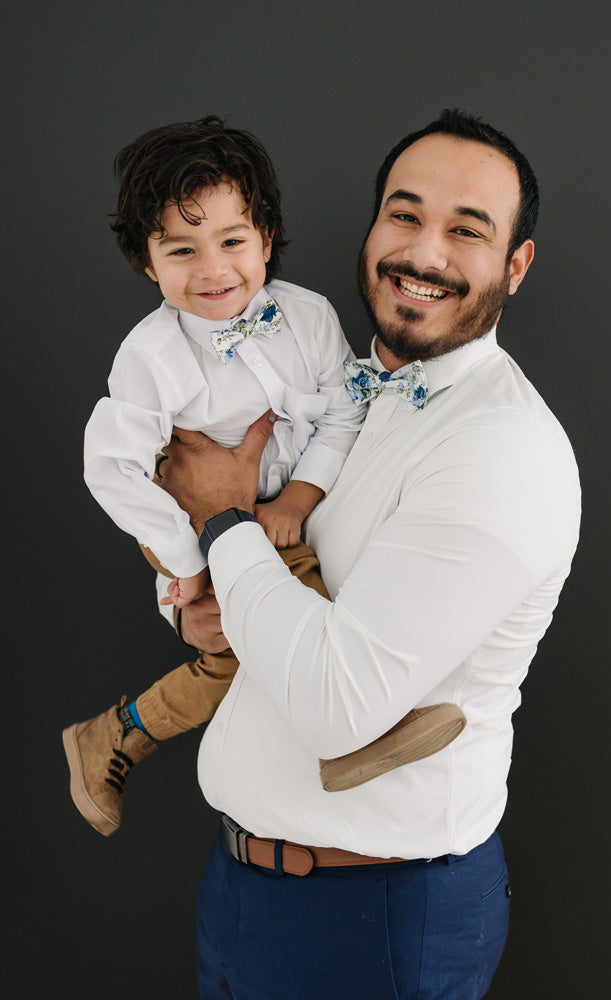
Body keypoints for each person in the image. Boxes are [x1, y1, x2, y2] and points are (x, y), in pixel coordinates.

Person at [156, 109, 582, 999]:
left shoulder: (500, 449)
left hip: (372, 918)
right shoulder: (339, 391)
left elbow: (335, 703)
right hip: (246, 888)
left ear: (515, 266)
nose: (423, 253)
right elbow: (274, 590)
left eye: (466, 230)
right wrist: (197, 602)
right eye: (404, 214)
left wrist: (223, 522)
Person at [62, 116, 465, 838]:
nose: (213, 270)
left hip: (280, 511)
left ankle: (118, 732)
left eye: (232, 242)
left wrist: (299, 498)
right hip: (184, 522)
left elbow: (343, 413)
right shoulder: (151, 357)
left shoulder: (306, 319)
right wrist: (189, 563)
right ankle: (351, 732)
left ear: (267, 238)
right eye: (180, 251)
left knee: (231, 658)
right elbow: (115, 470)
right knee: (297, 605)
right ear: (147, 264)